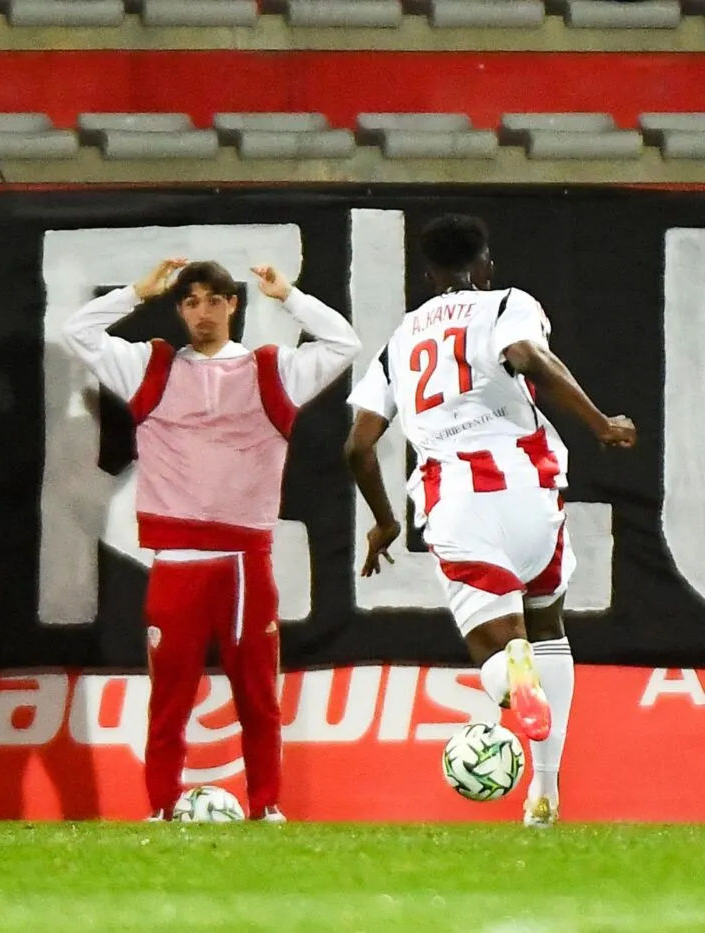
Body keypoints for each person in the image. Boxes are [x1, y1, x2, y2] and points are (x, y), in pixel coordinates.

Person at [343, 213, 635, 828]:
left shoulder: (399, 341)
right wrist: (601, 424)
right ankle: (546, 791)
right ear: (485, 264)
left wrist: (384, 522)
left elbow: (358, 446)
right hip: (532, 485)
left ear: (429, 275)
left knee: (492, 644)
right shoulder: (506, 301)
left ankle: (508, 676)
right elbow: (529, 357)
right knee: (548, 623)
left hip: (458, 497)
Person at [61, 257, 360, 822]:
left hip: (246, 562)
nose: (203, 312)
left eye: (214, 300)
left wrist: (290, 296)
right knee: (170, 701)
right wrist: (133, 291)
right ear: (178, 310)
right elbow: (77, 332)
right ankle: (162, 808)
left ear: (233, 305)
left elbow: (343, 343)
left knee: (257, 699)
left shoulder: (272, 372)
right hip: (176, 563)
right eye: (191, 301)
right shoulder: (149, 369)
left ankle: (267, 807)